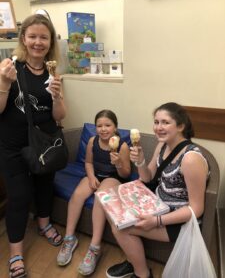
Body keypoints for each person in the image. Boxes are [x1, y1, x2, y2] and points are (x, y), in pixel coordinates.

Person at [105, 102, 209, 278]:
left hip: (177, 219)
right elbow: (148, 177)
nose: (158, 127)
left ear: (181, 126)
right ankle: (134, 260)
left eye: (165, 122)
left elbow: (196, 209)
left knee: (120, 228)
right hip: (157, 203)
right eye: (156, 122)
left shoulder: (190, 159)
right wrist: (140, 161)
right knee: (112, 210)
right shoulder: (162, 145)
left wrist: (157, 221)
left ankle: (142, 273)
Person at [0, 14, 66, 278]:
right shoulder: (9, 67)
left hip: (45, 143)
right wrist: (4, 83)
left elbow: (59, 116)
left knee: (44, 186)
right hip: (12, 146)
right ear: (24, 39)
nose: (38, 42)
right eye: (33, 36)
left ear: (50, 43)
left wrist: (57, 95)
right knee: (18, 196)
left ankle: (44, 224)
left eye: (44, 37)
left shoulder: (53, 73)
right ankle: (16, 251)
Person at [57, 109, 131, 275]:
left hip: (113, 177)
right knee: (77, 195)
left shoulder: (122, 145)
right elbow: (89, 163)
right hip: (95, 174)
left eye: (108, 125)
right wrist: (90, 177)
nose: (103, 129)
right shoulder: (92, 141)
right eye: (99, 125)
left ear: (115, 127)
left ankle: (95, 248)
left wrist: (118, 162)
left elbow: (125, 173)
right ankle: (69, 238)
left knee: (101, 198)